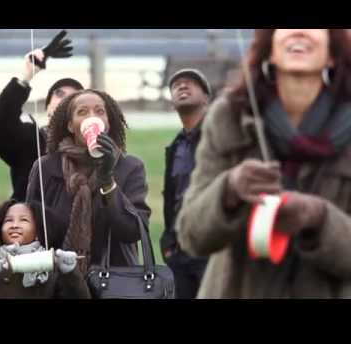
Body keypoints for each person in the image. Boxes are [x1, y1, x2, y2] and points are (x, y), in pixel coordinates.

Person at [176, 29, 351, 298]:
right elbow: (191, 235)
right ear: (270, 46)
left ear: (332, 53)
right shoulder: (229, 115)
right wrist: (229, 190)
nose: (300, 32)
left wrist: (318, 217)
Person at [26, 89, 151, 274]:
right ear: (70, 125)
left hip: (114, 282)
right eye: (82, 112)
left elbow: (132, 231)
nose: (92, 116)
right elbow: (31, 228)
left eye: (100, 111)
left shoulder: (129, 167)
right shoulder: (45, 167)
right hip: (59, 282)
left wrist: (107, 180)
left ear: (107, 122)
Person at [0, 30, 84, 201]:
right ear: (48, 106)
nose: (65, 100)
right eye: (59, 94)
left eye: (73, 98)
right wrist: (27, 75)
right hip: (30, 224)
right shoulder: (32, 140)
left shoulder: (91, 148)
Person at [0, 200, 90, 299]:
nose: (15, 225)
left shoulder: (51, 266)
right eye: (8, 220)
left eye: (24, 220)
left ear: (38, 230)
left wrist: (70, 272)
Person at [160, 68, 211, 299]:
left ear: (206, 98)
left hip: (213, 244)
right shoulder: (175, 147)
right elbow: (171, 196)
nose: (182, 86)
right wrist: (168, 241)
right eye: (177, 85)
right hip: (180, 249)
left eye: (191, 83)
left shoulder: (220, 137)